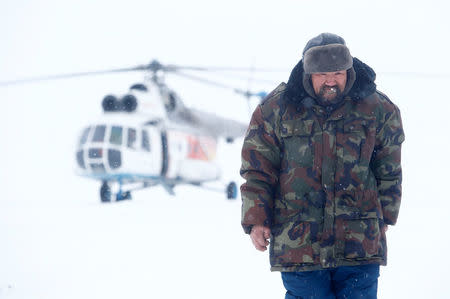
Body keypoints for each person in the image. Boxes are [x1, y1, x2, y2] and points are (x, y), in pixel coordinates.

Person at [240, 33, 404, 298]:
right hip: (299, 242)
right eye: (322, 74)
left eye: (338, 73)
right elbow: (258, 169)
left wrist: (386, 215)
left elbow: (389, 168)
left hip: (359, 242)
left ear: (348, 71)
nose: (331, 81)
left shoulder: (378, 108)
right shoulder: (275, 109)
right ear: (308, 74)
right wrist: (256, 219)